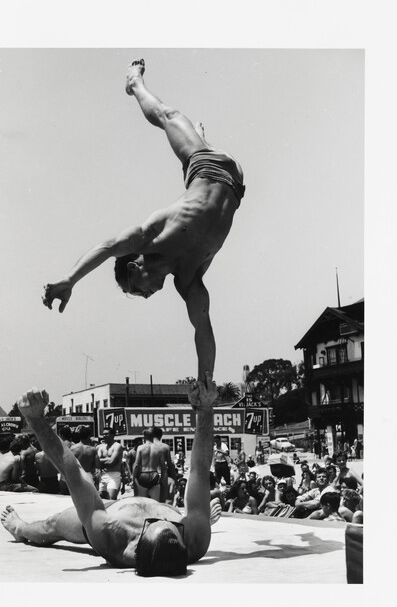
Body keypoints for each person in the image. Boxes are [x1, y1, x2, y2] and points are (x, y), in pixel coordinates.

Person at [42, 59, 245, 380]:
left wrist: (69, 279)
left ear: (135, 266)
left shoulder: (148, 237)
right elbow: (202, 327)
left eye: (136, 290)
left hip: (205, 164)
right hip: (235, 184)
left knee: (169, 116)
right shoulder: (187, 279)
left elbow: (108, 246)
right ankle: (202, 137)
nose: (144, 296)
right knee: (190, 181)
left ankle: (134, 83)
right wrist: (206, 381)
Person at [0, 375, 220, 576]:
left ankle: (20, 529)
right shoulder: (194, 539)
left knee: (54, 524)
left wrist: (36, 421)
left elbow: (73, 471)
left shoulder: (112, 537)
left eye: (154, 524)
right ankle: (198, 515)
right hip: (129, 507)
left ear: (136, 543)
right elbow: (199, 468)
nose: (166, 521)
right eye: (173, 527)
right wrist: (206, 409)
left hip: (107, 512)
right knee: (197, 519)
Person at [133, 429, 167, 501]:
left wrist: (133, 478)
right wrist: (162, 480)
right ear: (153, 436)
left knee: (144, 502)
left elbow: (136, 465)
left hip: (143, 475)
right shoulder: (159, 449)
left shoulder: (140, 448)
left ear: (144, 437)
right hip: (154, 475)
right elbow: (163, 467)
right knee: (156, 502)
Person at [97, 427, 123, 500]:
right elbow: (96, 461)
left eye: (106, 434)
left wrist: (102, 461)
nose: (104, 436)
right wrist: (107, 459)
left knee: (111, 499)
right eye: (103, 434)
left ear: (112, 435)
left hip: (114, 475)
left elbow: (111, 462)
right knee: (101, 501)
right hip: (103, 475)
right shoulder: (101, 447)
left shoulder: (117, 446)